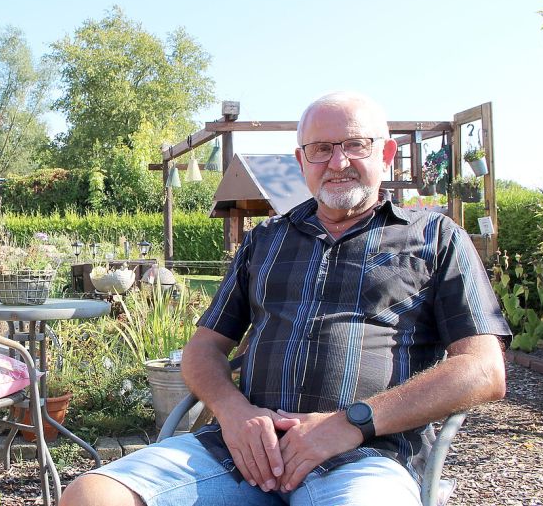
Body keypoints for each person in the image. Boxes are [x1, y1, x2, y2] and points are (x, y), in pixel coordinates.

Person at [60, 92, 510, 506]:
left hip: (367, 455)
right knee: (92, 495)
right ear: (301, 160)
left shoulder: (435, 237)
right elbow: (203, 347)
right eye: (321, 149)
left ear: (387, 154)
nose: (338, 162)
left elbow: (483, 370)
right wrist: (233, 412)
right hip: (244, 452)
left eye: (355, 145)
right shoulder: (266, 241)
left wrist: (350, 423)